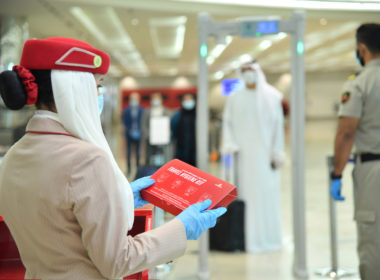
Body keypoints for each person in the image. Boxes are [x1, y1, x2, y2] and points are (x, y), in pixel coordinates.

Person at [0, 37, 226, 279]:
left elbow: (58, 221)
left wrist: (121, 199)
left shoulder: (12, 156)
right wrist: (182, 227)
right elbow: (118, 260)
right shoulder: (87, 159)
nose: (99, 96)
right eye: (97, 87)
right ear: (76, 90)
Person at [330, 23, 380, 280]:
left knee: (373, 238)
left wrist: (336, 173)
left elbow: (346, 132)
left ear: (362, 49)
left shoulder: (360, 83)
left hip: (374, 171)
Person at [222, 60, 285, 253]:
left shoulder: (273, 97)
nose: (248, 74)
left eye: (251, 70)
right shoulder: (234, 98)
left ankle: (268, 239)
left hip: (266, 161)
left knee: (267, 199)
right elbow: (228, 126)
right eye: (244, 71)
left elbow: (278, 129)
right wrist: (230, 149)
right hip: (243, 161)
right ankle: (245, 240)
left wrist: (277, 153)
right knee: (246, 199)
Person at [142, 92, 171, 166]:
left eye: (157, 98)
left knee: (163, 159)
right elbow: (143, 125)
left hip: (163, 141)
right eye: (154, 98)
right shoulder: (147, 111)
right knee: (150, 159)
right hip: (150, 140)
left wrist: (167, 135)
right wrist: (149, 136)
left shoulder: (167, 111)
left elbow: (170, 126)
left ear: (161, 99)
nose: (156, 100)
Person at [171, 93, 196, 166]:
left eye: (190, 99)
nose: (188, 101)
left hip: (195, 149)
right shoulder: (177, 115)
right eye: (186, 100)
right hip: (181, 148)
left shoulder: (198, 115)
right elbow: (173, 129)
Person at [122, 92, 144, 174]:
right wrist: (130, 130)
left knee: (138, 152)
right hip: (129, 134)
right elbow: (124, 122)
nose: (134, 101)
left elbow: (143, 121)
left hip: (139, 133)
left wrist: (140, 130)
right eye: (132, 99)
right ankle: (129, 170)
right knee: (128, 153)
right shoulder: (126, 110)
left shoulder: (142, 109)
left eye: (135, 99)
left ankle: (138, 169)